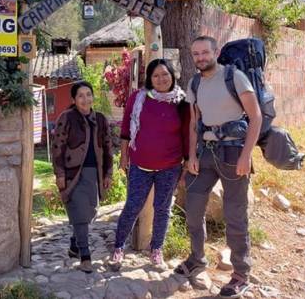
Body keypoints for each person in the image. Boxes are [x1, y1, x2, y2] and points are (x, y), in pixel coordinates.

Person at [175, 36, 262, 299]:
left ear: (216, 52)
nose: (200, 57)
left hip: (234, 153)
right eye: (196, 54)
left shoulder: (234, 77)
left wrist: (246, 155)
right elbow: (194, 124)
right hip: (205, 153)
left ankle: (241, 274)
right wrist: (191, 155)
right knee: (193, 208)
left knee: (235, 214)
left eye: (205, 52)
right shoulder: (194, 83)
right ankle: (196, 258)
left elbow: (255, 116)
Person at [109, 59, 189, 268]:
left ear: (172, 75)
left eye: (165, 74)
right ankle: (118, 248)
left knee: (162, 209)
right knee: (132, 206)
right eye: (156, 75)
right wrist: (124, 157)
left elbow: (187, 134)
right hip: (140, 165)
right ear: (150, 79)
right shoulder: (138, 98)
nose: (161, 79)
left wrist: (187, 163)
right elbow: (126, 130)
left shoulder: (182, 102)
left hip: (170, 166)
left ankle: (156, 250)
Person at [51, 81, 113, 273]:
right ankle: (85, 256)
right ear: (74, 99)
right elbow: (57, 147)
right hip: (73, 174)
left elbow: (108, 148)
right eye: (80, 96)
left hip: (94, 174)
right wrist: (60, 173)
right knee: (79, 212)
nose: (85, 99)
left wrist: (108, 173)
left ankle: (74, 244)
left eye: (88, 94)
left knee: (89, 212)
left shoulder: (100, 119)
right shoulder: (67, 118)